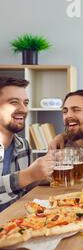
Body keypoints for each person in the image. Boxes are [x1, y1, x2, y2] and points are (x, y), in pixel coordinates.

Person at [0, 77, 55, 212]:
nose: (23, 109)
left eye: (26, 103)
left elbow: (23, 189)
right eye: (14, 102)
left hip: (15, 224)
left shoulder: (23, 145)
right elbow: (25, 177)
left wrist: (43, 176)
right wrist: (29, 175)